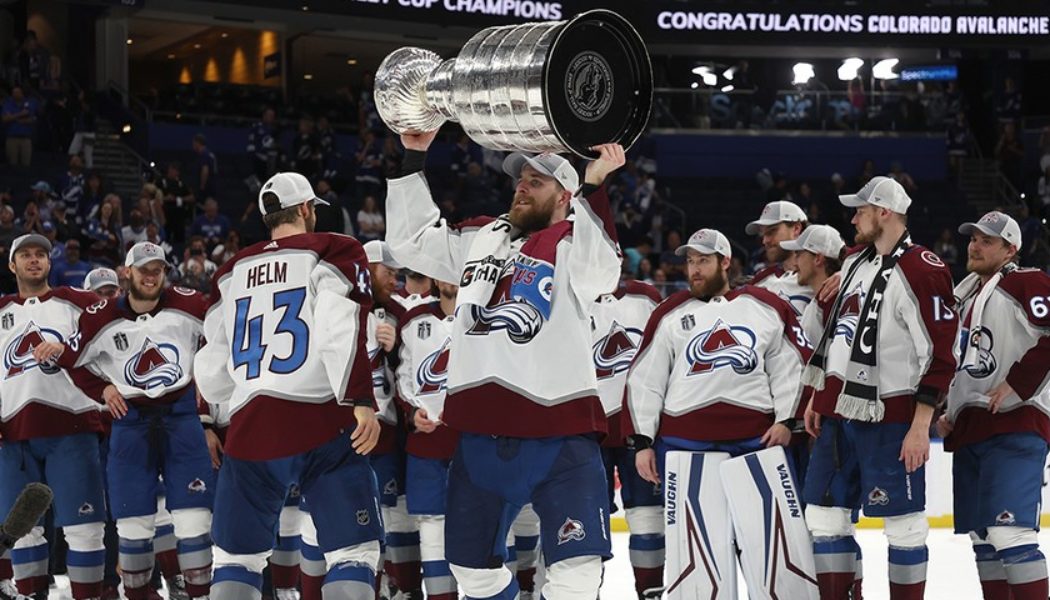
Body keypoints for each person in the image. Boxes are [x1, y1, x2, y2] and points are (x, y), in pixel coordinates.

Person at [386, 129, 625, 599]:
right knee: (469, 571)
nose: (521, 186)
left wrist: (595, 185)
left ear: (564, 196)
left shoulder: (574, 240)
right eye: (520, 179)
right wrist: (413, 154)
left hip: (559, 431)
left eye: (536, 181)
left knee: (576, 573)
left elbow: (603, 273)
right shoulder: (481, 237)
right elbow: (411, 241)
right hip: (480, 434)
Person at [192, 171, 383, 600]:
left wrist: (220, 410)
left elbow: (210, 363)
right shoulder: (334, 248)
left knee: (235, 562)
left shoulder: (230, 270)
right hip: (319, 420)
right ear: (305, 209)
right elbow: (341, 326)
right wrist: (360, 399)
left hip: (249, 428)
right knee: (353, 553)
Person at [623, 228, 812, 598]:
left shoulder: (765, 305)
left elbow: (790, 366)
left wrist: (787, 420)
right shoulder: (669, 313)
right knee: (697, 561)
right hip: (684, 446)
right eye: (690, 262)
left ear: (725, 262)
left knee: (771, 553)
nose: (694, 270)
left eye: (703, 261)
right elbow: (646, 379)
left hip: (756, 444)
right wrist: (643, 441)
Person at [801, 176, 957, 600]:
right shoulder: (855, 263)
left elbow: (941, 354)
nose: (853, 218)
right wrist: (822, 395)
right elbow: (839, 337)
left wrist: (920, 425)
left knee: (904, 525)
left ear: (883, 212)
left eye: (861, 211)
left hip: (890, 419)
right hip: (839, 414)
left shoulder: (922, 269)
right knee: (825, 517)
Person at [34, 242, 217, 600]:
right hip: (130, 422)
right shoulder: (100, 316)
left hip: (181, 419)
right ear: (127, 272)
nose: (151, 276)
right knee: (133, 525)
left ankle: (200, 595)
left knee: (195, 519)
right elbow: (72, 360)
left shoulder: (191, 304)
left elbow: (221, 338)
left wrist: (208, 399)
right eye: (144, 269)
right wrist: (102, 389)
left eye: (158, 270)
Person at [938, 211, 1050, 600]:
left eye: (987, 240)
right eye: (973, 238)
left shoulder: (1026, 280)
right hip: (971, 427)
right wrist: (947, 411)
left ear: (1010, 249)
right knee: (983, 537)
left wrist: (1017, 383)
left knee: (1009, 533)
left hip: (1016, 423)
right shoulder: (965, 294)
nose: (975, 245)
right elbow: (960, 361)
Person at [0, 233, 108, 599]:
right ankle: (30, 594)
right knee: (22, 528)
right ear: (12, 265)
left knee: (85, 526)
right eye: (25, 255)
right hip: (13, 434)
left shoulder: (79, 303)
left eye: (41, 255)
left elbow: (114, 340)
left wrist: (69, 349)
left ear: (50, 263)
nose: (34, 260)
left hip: (72, 427)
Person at [358, 240, 424, 599]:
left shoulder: (401, 314)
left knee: (396, 513)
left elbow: (412, 375)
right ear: (367, 268)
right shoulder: (339, 307)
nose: (395, 280)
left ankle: (406, 588)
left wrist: (396, 350)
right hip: (345, 431)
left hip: (387, 432)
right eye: (389, 272)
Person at [591, 278, 663, 599]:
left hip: (639, 427)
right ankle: (585, 590)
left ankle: (650, 593)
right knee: (587, 523)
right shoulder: (570, 296)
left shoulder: (644, 297)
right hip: (588, 430)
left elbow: (662, 355)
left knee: (647, 516)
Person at [395, 279, 461, 600]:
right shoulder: (414, 320)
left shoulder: (487, 317)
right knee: (432, 533)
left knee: (486, 533)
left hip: (474, 446)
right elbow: (403, 377)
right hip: (428, 446)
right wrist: (411, 413)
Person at [779, 225, 846, 345]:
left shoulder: (832, 302)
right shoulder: (824, 301)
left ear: (818, 259)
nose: (794, 263)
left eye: (798, 254)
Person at [745, 200, 812, 315]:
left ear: (796, 229)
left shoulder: (824, 275)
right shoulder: (760, 280)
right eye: (763, 234)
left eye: (771, 231)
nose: (765, 241)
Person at [2, 84, 38, 167]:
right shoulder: (8, 104)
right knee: (12, 164)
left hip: (26, 138)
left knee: (26, 165)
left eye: (17, 92)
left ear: (22, 93)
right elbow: (5, 119)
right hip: (12, 138)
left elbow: (32, 118)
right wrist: (20, 114)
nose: (15, 94)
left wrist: (12, 117)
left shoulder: (29, 103)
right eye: (14, 92)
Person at [192, 134, 217, 204]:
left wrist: (202, 186)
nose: (193, 145)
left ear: (198, 143)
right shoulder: (210, 154)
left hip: (206, 189)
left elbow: (205, 170)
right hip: (212, 186)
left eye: (194, 143)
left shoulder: (204, 154)